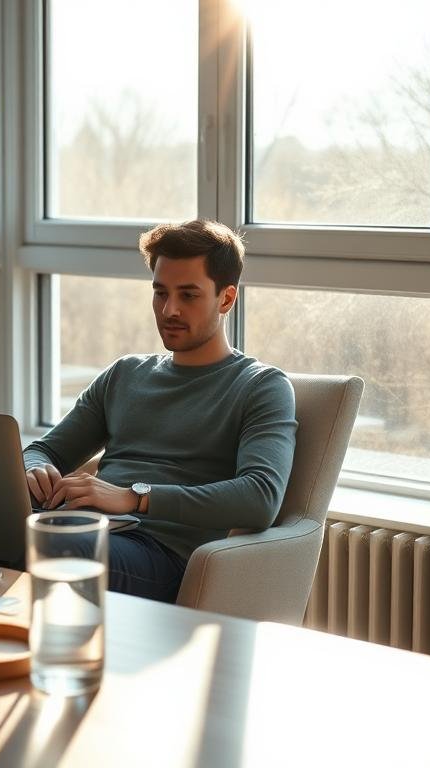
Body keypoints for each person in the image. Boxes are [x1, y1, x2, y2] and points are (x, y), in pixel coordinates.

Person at [23, 219, 297, 603]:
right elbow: (46, 449)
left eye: (188, 295)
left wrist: (136, 497)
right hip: (85, 527)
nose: (169, 310)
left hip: (160, 553)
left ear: (227, 298)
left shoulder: (261, 386)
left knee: (50, 544)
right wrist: (32, 467)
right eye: (160, 293)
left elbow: (260, 497)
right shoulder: (125, 374)